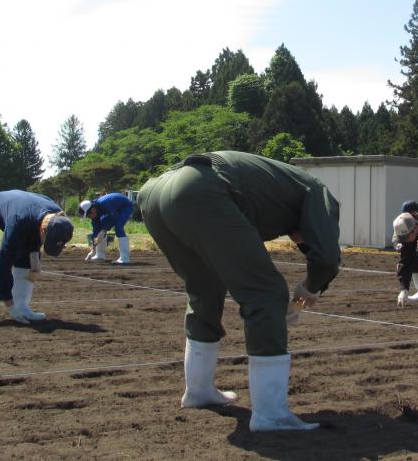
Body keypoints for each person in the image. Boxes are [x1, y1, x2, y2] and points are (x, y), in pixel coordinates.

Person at [137, 151, 341, 432]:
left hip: (154, 193)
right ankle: (271, 415)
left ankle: (198, 391)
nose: (298, 243)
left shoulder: (279, 187)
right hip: (199, 188)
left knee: (204, 287)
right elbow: (328, 257)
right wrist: (312, 286)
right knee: (266, 292)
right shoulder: (318, 193)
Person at [0, 190, 73, 324]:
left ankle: (22, 306)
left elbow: (34, 251)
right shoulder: (19, 221)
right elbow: (3, 266)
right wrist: (10, 305)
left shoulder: (58, 218)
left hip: (25, 214)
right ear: (42, 230)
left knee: (26, 257)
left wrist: (34, 262)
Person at [79, 192, 135, 264]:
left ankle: (124, 258)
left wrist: (104, 229)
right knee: (99, 229)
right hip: (114, 210)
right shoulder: (95, 213)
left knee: (118, 227)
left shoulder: (104, 203)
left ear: (92, 209)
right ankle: (100, 255)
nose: (90, 217)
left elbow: (115, 216)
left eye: (89, 215)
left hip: (125, 207)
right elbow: (96, 233)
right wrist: (93, 249)